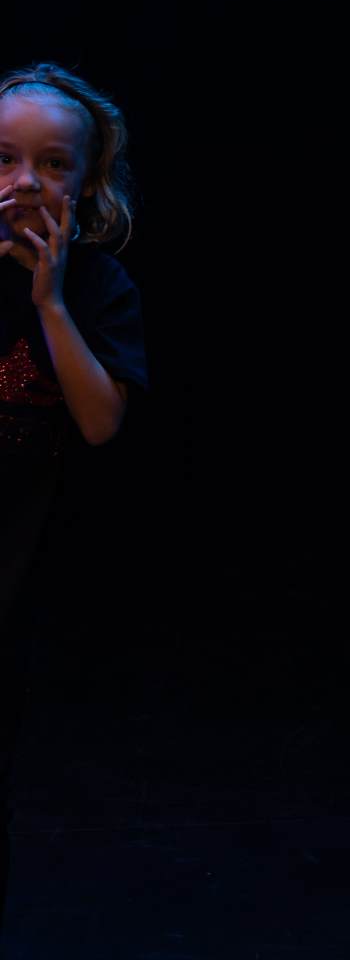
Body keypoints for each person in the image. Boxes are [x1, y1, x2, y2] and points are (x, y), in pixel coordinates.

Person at [0, 63, 147, 932]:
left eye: (53, 163)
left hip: (20, 594)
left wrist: (49, 302)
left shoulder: (98, 288)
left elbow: (98, 422)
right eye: (5, 159)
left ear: (87, 182)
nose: (26, 181)